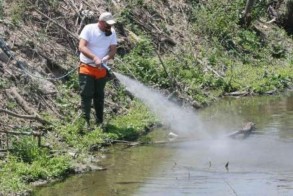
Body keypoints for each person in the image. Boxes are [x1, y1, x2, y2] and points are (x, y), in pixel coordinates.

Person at [78, 12, 118, 129]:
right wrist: (94, 58)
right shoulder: (89, 29)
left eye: (111, 25)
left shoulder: (112, 32)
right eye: (107, 25)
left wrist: (105, 59)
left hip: (101, 69)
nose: (109, 27)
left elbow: (113, 50)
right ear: (100, 22)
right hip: (87, 67)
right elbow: (82, 46)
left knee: (99, 96)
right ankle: (86, 122)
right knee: (86, 94)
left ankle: (99, 122)